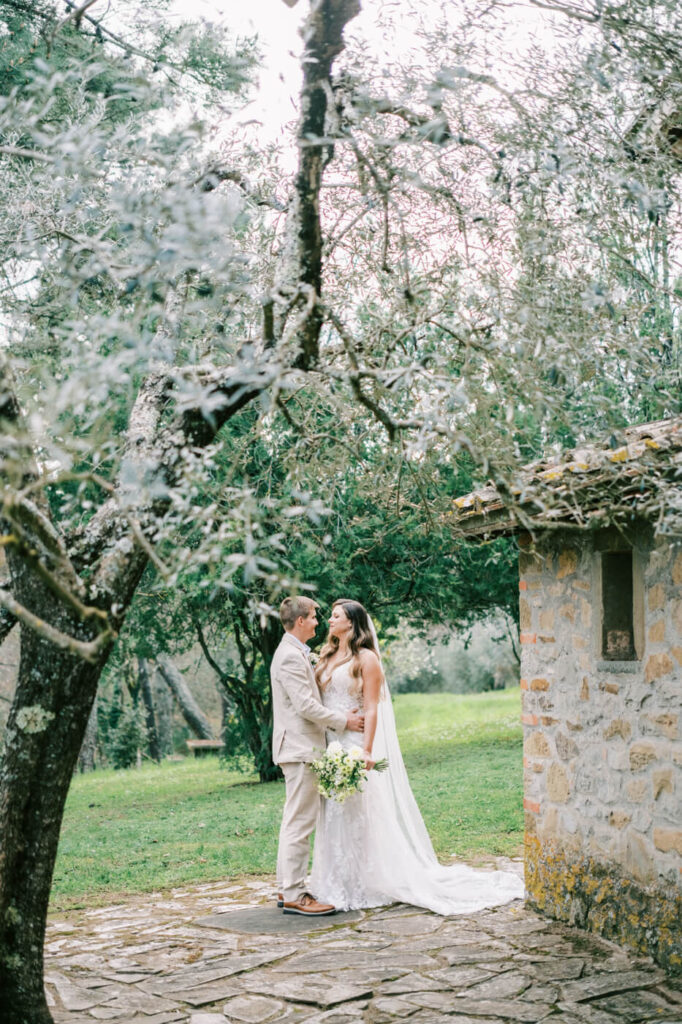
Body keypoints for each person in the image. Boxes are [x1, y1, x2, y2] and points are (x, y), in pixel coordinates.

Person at [309, 598, 525, 914]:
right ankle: (333, 881)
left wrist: (366, 750)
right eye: (329, 616)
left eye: (335, 615)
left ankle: (360, 882)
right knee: (332, 812)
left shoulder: (366, 659)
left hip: (353, 742)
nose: (329, 620)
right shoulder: (326, 656)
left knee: (355, 812)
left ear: (352, 623)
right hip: (331, 742)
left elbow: (371, 707)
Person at [270, 595, 365, 916]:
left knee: (294, 821)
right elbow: (305, 706)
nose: (317, 621)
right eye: (313, 616)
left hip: (299, 748)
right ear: (300, 621)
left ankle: (287, 888)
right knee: (300, 823)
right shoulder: (290, 657)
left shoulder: (296, 653)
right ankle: (296, 894)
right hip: (300, 749)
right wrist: (345, 721)